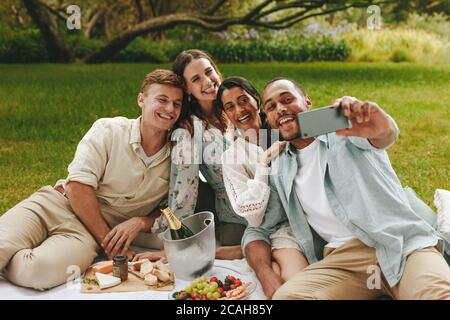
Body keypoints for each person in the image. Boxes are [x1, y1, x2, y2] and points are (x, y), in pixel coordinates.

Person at [243, 77, 450, 299]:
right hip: (343, 262)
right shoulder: (281, 164)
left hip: (399, 244)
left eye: (287, 99)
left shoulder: (341, 129)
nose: (281, 109)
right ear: (268, 118)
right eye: (271, 106)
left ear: (307, 102)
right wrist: (266, 273)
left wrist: (381, 127)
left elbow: (382, 135)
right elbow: (261, 226)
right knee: (287, 297)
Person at [0, 69, 184, 290]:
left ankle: (15, 254)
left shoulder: (179, 156)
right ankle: (13, 247)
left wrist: (141, 221)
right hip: (55, 204)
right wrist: (112, 245)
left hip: (85, 234)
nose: (170, 109)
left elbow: (172, 207)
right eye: (162, 100)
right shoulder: (109, 130)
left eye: (177, 103)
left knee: (36, 272)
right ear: (141, 100)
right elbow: (77, 187)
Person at [149, 49, 247, 260]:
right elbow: (185, 191)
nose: (208, 81)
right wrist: (173, 245)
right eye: (196, 79)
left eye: (209, 72)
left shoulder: (235, 107)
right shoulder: (188, 132)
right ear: (187, 89)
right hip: (238, 214)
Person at [218, 76, 308, 281]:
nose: (239, 110)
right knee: (284, 277)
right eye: (230, 107)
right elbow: (253, 216)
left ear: (256, 99)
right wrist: (262, 164)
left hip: (303, 220)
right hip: (271, 229)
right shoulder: (232, 157)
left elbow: (331, 123)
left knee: (294, 276)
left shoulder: (284, 126)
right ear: (226, 115)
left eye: (243, 100)